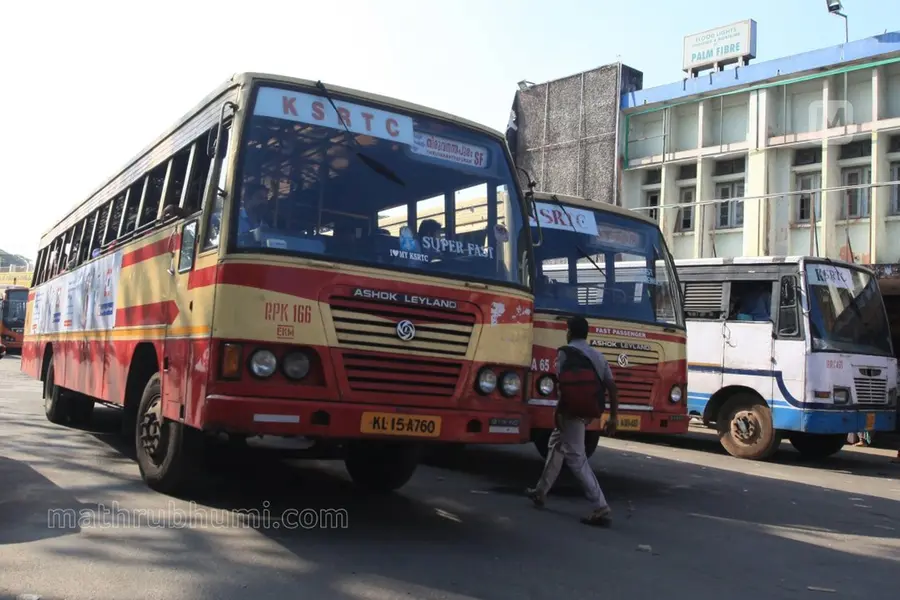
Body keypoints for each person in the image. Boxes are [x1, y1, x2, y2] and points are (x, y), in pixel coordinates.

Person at [526, 315, 619, 526]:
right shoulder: (597, 355)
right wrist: (613, 417)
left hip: (571, 411)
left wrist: (557, 411)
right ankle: (540, 491)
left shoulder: (564, 353)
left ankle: (600, 506)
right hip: (588, 411)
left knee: (576, 458)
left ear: (569, 332)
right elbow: (612, 388)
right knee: (555, 444)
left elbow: (564, 387)